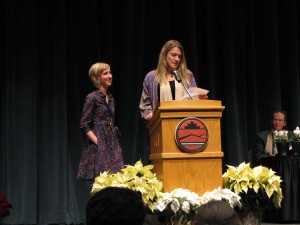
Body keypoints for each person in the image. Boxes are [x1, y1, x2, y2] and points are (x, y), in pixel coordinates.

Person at [77, 62, 124, 180]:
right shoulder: (92, 98)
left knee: (116, 179)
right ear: (97, 78)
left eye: (110, 72)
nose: (110, 76)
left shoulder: (111, 98)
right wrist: (99, 143)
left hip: (112, 143)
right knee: (101, 181)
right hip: (99, 143)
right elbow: (84, 124)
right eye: (105, 73)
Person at [139, 40, 207, 121]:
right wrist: (149, 113)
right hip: (161, 123)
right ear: (164, 55)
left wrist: (200, 97)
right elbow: (145, 104)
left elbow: (194, 98)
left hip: (185, 122)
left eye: (179, 56)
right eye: (174, 55)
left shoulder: (187, 75)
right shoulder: (152, 77)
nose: (177, 59)